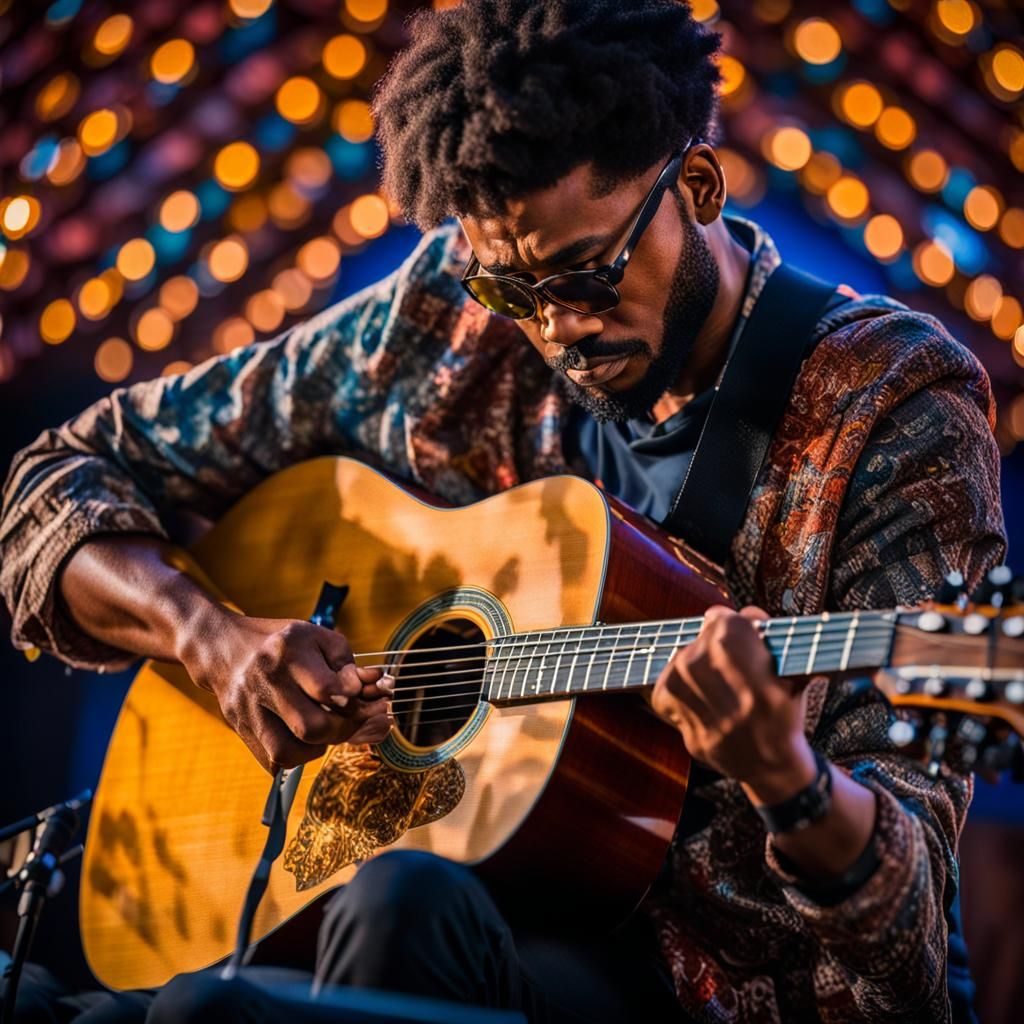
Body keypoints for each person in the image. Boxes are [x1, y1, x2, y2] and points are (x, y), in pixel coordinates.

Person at [0, 1, 1007, 1022]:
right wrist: (210, 638)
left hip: (719, 985)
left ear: (695, 187)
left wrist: (783, 776)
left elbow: (908, 947)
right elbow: (63, 474)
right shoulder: (457, 314)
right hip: (447, 925)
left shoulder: (892, 404)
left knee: (338, 941)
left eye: (587, 276)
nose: (558, 331)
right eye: (517, 293)